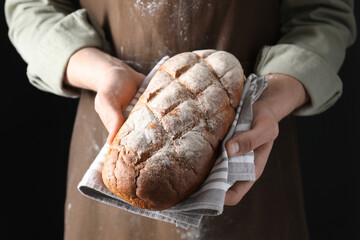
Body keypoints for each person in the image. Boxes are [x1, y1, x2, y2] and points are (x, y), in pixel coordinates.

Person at [5, 0, 356, 239]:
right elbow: (31, 7)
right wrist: (103, 71)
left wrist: (274, 96)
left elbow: (322, 15)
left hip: (252, 145)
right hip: (116, 135)